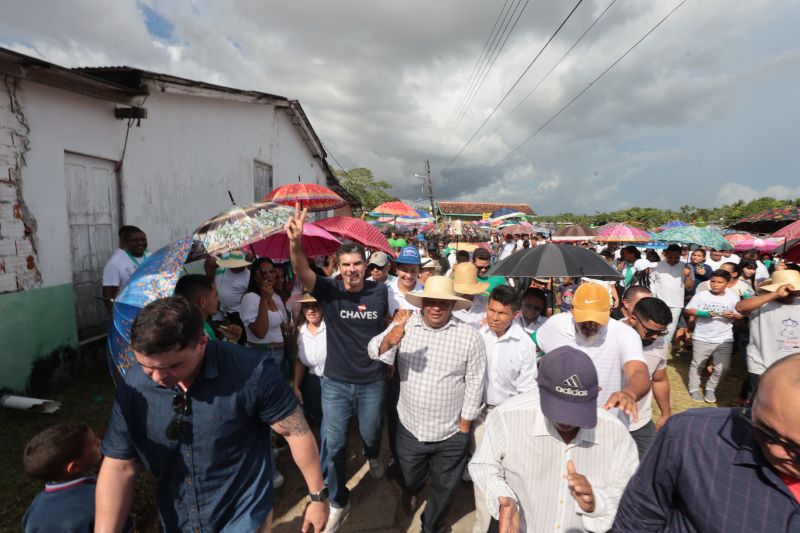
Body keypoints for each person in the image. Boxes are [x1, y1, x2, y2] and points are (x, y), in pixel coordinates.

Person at [95, 297, 328, 533]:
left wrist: (318, 496)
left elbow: (295, 431)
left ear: (202, 342)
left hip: (243, 519)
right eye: (147, 366)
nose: (157, 378)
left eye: (172, 366)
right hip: (177, 521)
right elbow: (119, 464)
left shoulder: (252, 371)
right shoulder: (134, 387)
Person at [286, 206, 390, 532]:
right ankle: (338, 501)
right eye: (345, 265)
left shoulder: (381, 292)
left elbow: (391, 326)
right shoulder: (329, 291)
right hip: (335, 383)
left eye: (357, 264)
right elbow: (302, 271)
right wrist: (295, 243)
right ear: (340, 268)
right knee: (334, 444)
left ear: (366, 265)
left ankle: (373, 453)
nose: (351, 270)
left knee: (372, 433)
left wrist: (392, 357)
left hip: (372, 382)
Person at [613, 352, 800, 532]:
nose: (777, 451)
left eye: (796, 449)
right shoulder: (693, 435)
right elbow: (639, 515)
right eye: (764, 429)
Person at [470, 346, 640, 533]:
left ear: (596, 393)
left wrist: (596, 503)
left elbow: (628, 491)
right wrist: (503, 497)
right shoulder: (507, 417)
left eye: (576, 409)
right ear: (539, 386)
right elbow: (484, 465)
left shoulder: (616, 434)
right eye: (559, 408)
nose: (566, 421)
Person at [368, 276, 486, 533]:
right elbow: (373, 349)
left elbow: (476, 381)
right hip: (411, 427)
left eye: (442, 303)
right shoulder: (405, 327)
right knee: (409, 476)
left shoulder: (469, 337)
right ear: (422, 303)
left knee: (445, 488)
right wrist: (390, 339)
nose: (436, 307)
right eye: (430, 301)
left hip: (453, 431)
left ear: (451, 306)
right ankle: (410, 490)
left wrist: (466, 425)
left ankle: (431, 525)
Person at [471, 285, 539, 533]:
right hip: (477, 415)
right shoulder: (477, 332)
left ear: (515, 314)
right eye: (491, 310)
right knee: (482, 477)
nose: (493, 317)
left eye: (501, 313)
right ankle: (482, 526)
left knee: (507, 478)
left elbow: (527, 389)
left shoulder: (524, 345)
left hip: (507, 418)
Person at [532, 282, 650, 425]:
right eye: (584, 319)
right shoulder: (555, 325)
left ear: (608, 311)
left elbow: (638, 371)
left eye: (597, 319)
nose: (590, 325)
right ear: (572, 309)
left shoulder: (625, 335)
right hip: (557, 421)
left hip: (604, 425)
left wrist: (630, 393)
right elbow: (531, 346)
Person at [22, 422, 132, 533]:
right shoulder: (97, 496)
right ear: (74, 467)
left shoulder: (34, 508)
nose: (100, 441)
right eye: (93, 443)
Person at [619, 290, 673, 457]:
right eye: (650, 332)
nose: (656, 336)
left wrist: (665, 414)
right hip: (607, 421)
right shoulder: (610, 334)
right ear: (633, 319)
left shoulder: (659, 343)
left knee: (645, 470)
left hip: (640, 424)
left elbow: (659, 380)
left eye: (661, 332)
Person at [735, 269, 800, 397]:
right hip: (762, 365)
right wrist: (775, 295)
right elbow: (740, 307)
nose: (793, 292)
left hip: (793, 366)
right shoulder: (762, 303)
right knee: (763, 402)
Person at [684, 269, 743, 403]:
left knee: (723, 368)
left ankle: (711, 388)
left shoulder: (733, 297)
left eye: (719, 282)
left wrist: (733, 315)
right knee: (698, 364)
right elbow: (688, 310)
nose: (715, 285)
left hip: (724, 338)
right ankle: (693, 388)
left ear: (728, 283)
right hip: (702, 337)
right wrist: (703, 313)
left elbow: (740, 314)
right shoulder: (701, 295)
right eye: (713, 281)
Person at [174, 274, 242, 342]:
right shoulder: (196, 339)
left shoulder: (202, 326)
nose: (218, 299)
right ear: (203, 302)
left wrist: (230, 339)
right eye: (215, 295)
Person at [650, 244, 695, 346]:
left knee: (670, 329)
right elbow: (651, 282)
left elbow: (689, 287)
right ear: (665, 254)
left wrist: (687, 276)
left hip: (676, 304)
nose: (673, 260)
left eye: (676, 257)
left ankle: (663, 349)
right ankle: (653, 347)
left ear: (680, 255)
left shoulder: (687, 267)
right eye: (670, 257)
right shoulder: (657, 265)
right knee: (657, 326)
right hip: (659, 302)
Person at [293, 293, 327, 427]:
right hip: (313, 382)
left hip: (334, 381)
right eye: (307, 306)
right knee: (317, 418)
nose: (311, 310)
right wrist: (296, 386)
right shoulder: (300, 331)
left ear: (323, 307)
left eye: (315, 306)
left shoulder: (331, 327)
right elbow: (300, 360)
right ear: (302, 309)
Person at [102, 225, 148, 310]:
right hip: (129, 311)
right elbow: (108, 297)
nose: (140, 243)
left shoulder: (150, 256)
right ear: (125, 243)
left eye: (143, 239)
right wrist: (116, 316)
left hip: (152, 310)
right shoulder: (115, 263)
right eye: (135, 241)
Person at [205, 250, 252, 332]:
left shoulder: (248, 276)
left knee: (241, 331)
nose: (232, 267)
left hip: (239, 312)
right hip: (227, 311)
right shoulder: (228, 270)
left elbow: (250, 293)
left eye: (234, 265)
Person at [388, 246, 424, 314]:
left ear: (419, 271)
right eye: (404, 270)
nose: (409, 275)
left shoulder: (425, 293)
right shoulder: (386, 291)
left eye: (413, 271)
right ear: (397, 270)